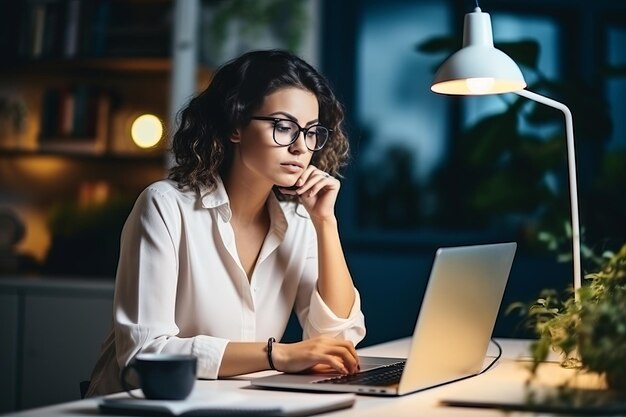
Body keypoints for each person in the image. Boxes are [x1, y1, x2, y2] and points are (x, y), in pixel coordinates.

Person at [86, 49, 366, 397]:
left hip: (241, 403)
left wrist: (325, 222)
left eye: (310, 132)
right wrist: (276, 354)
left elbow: (338, 342)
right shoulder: (165, 205)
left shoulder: (301, 220)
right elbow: (145, 352)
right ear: (235, 126)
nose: (300, 147)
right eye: (283, 127)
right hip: (148, 406)